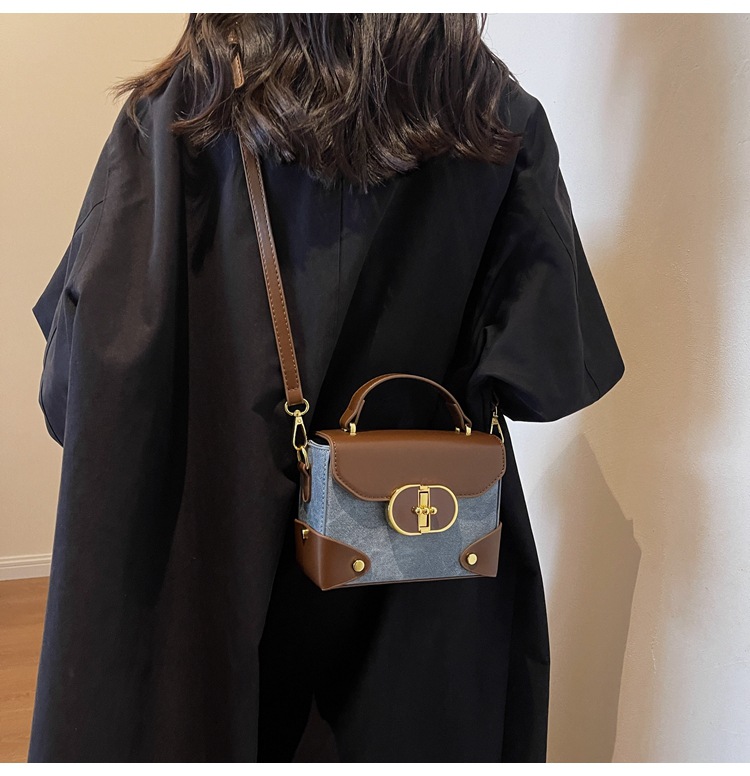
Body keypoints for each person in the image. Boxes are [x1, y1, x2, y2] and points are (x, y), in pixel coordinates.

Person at [28, 13, 625, 763]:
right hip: (420, 567)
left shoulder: (177, 115)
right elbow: (548, 378)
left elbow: (75, 396)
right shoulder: (493, 115)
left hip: (200, 580)